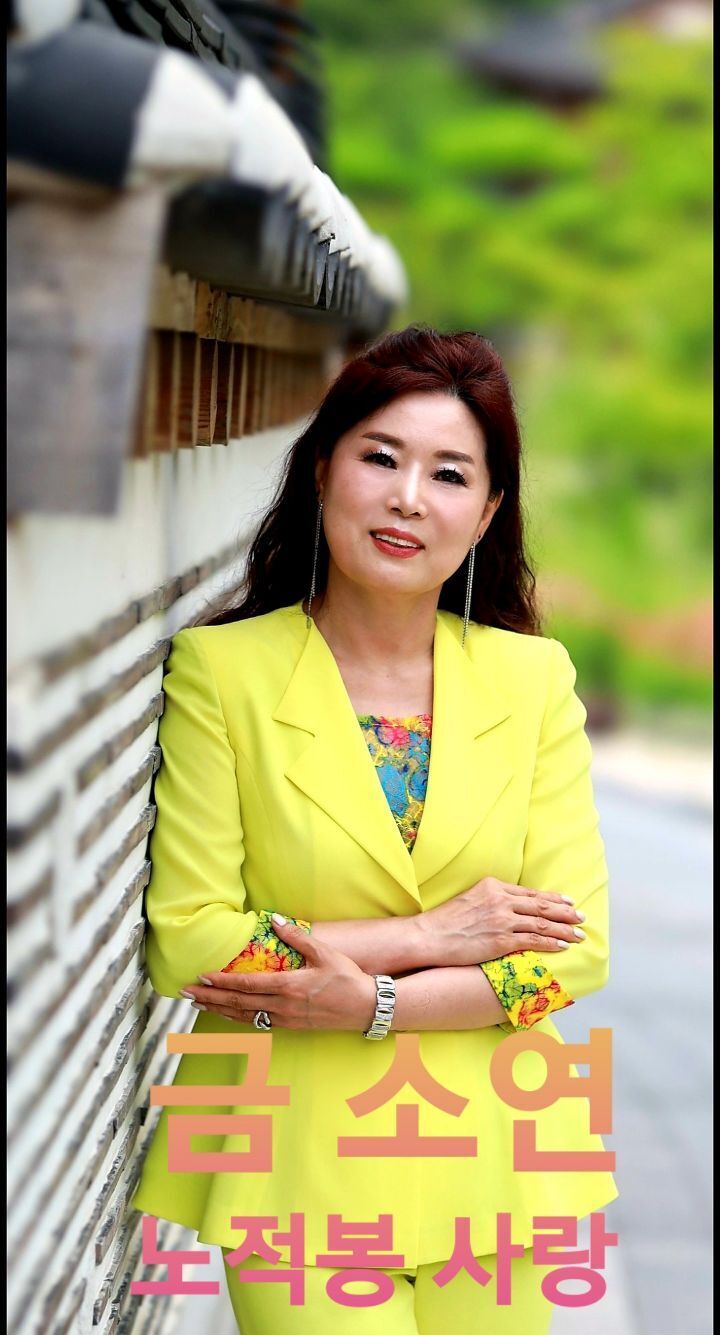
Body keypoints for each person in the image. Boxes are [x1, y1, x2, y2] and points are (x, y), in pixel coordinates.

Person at [132, 326, 618, 1333]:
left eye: (449, 475)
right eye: (381, 457)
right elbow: (193, 943)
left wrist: (374, 1004)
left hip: (498, 1159)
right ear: (323, 469)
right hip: (291, 1165)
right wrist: (431, 936)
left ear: (487, 512)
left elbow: (571, 956)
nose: (408, 498)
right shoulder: (225, 674)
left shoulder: (532, 680)